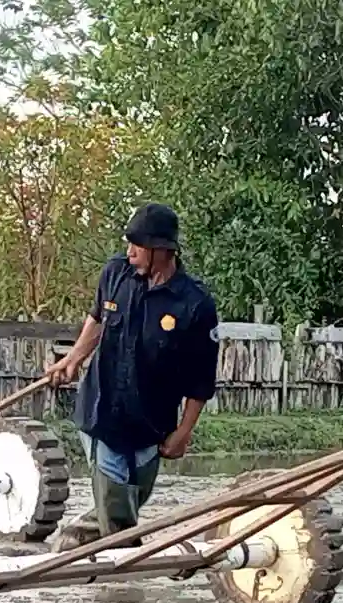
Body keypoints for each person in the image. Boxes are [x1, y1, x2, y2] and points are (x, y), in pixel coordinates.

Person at [45, 202, 221, 551]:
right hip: (102, 412)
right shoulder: (116, 273)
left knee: (126, 504)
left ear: (163, 250)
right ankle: (126, 587)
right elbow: (97, 318)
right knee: (119, 514)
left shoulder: (195, 304)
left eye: (137, 246)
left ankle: (68, 545)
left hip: (151, 424)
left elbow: (201, 379)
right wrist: (75, 358)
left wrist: (183, 432)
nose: (130, 252)